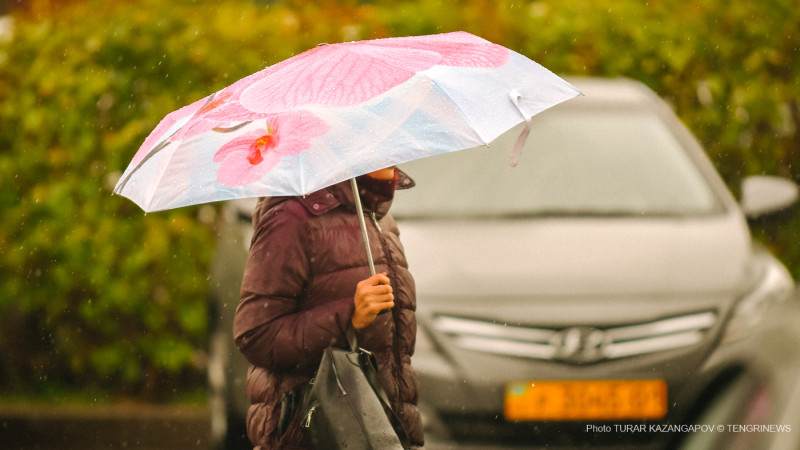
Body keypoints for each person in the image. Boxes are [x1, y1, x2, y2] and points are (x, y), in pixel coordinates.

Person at [233, 166, 424, 449]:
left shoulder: (379, 219)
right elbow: (256, 334)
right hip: (313, 433)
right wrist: (347, 317)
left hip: (380, 434)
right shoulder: (291, 219)